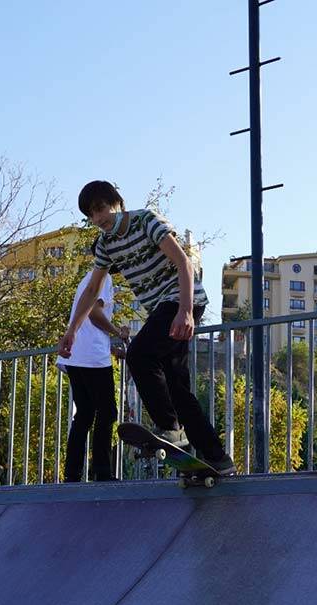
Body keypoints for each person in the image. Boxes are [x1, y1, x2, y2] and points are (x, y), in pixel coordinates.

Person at [58, 180, 235, 475]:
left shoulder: (145, 220)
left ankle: (171, 429)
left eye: (101, 209)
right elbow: (91, 292)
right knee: (177, 387)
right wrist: (71, 332)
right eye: (91, 215)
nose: (98, 219)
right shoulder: (105, 245)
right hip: (162, 312)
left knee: (140, 356)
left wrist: (186, 311)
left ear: (117, 203)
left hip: (180, 301)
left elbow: (184, 264)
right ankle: (216, 456)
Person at [57, 265, 127, 482]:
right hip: (92, 358)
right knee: (107, 412)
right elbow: (94, 314)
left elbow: (88, 324)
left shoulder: (88, 278)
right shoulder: (103, 278)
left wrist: (112, 349)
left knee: (85, 414)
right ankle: (102, 470)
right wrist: (118, 332)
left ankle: (72, 473)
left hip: (78, 355)